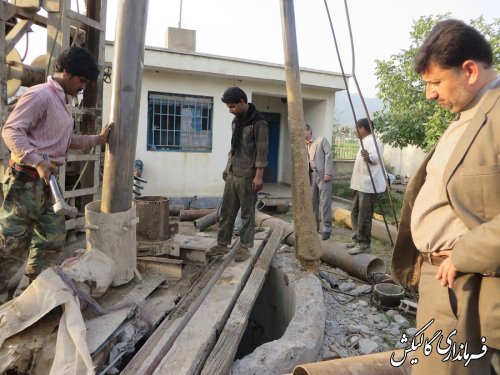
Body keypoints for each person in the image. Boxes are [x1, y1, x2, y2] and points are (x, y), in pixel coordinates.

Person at [391, 19, 500, 374]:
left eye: (435, 82)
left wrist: (465, 252)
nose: (430, 94)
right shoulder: (469, 113)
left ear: (468, 70)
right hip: (440, 280)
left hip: (471, 286)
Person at [0, 46, 113, 299]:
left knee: (52, 238)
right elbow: (11, 131)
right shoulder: (39, 95)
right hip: (25, 179)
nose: (83, 86)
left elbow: (63, 140)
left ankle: (33, 292)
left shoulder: (60, 102)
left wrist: (99, 139)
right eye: (81, 80)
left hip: (46, 181)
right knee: (12, 245)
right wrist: (38, 161)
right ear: (66, 72)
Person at [207, 87, 268, 262]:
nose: (230, 110)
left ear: (242, 102)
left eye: (232, 106)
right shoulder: (237, 121)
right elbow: (233, 148)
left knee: (247, 214)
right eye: (229, 107)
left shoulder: (259, 123)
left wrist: (259, 176)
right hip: (233, 173)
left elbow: (262, 152)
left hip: (249, 175)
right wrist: (227, 167)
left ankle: (245, 247)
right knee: (227, 210)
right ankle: (222, 244)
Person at [347, 118, 386, 254]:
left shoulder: (375, 141)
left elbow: (376, 158)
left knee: (364, 214)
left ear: (362, 129)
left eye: (357, 128)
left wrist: (368, 156)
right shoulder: (364, 141)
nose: (356, 131)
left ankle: (364, 243)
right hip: (360, 184)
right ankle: (356, 239)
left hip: (369, 185)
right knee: (355, 212)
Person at [305, 124, 334, 240]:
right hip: (311, 175)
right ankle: (314, 227)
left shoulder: (321, 140)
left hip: (323, 175)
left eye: (303, 130)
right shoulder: (303, 145)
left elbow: (329, 155)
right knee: (312, 202)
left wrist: (328, 172)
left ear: (309, 130)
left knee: (325, 202)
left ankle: (327, 229)